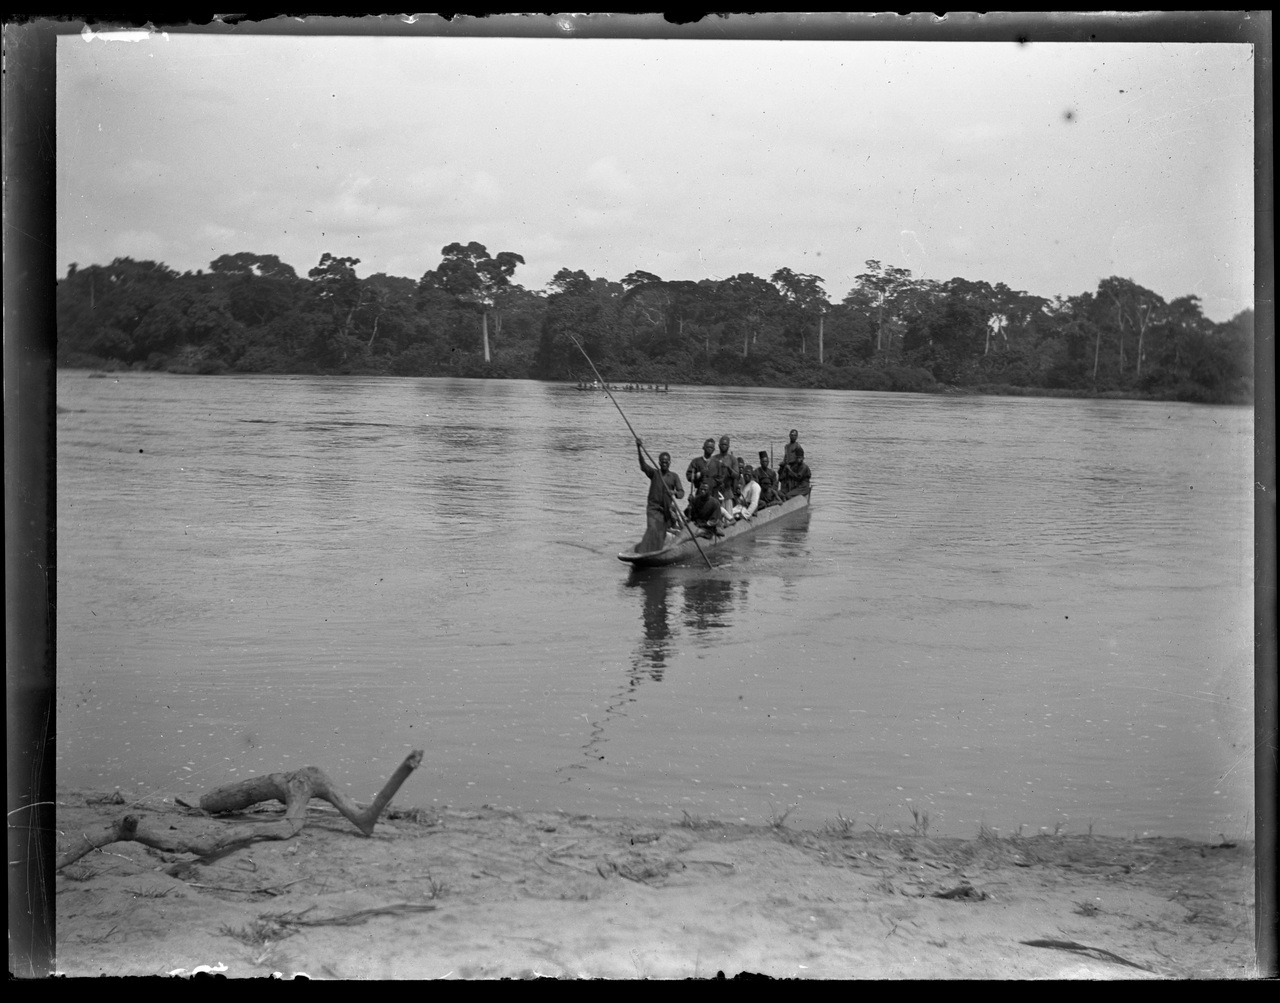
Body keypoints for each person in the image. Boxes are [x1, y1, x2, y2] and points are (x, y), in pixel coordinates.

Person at [636, 439, 685, 552]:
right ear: (658, 463)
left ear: (670, 463)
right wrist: (639, 448)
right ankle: (649, 550)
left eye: (666, 461)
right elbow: (643, 466)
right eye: (662, 461)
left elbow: (681, 493)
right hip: (653, 509)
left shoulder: (674, 476)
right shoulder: (654, 474)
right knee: (653, 528)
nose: (664, 463)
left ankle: (660, 549)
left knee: (663, 532)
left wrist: (674, 493)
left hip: (666, 510)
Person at [703, 435, 739, 523]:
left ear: (728, 446)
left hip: (727, 492)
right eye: (722, 444)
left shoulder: (732, 459)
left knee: (728, 519)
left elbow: (736, 475)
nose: (723, 446)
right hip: (716, 492)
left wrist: (728, 468)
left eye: (725, 445)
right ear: (718, 446)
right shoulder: (714, 458)